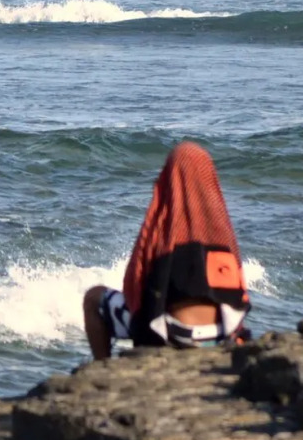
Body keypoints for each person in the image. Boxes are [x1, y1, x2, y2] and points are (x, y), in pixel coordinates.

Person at [82, 142, 251, 359]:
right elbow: (238, 294)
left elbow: (137, 285)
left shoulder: (164, 233)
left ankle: (102, 364)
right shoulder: (222, 236)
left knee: (94, 297)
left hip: (173, 335)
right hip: (219, 336)